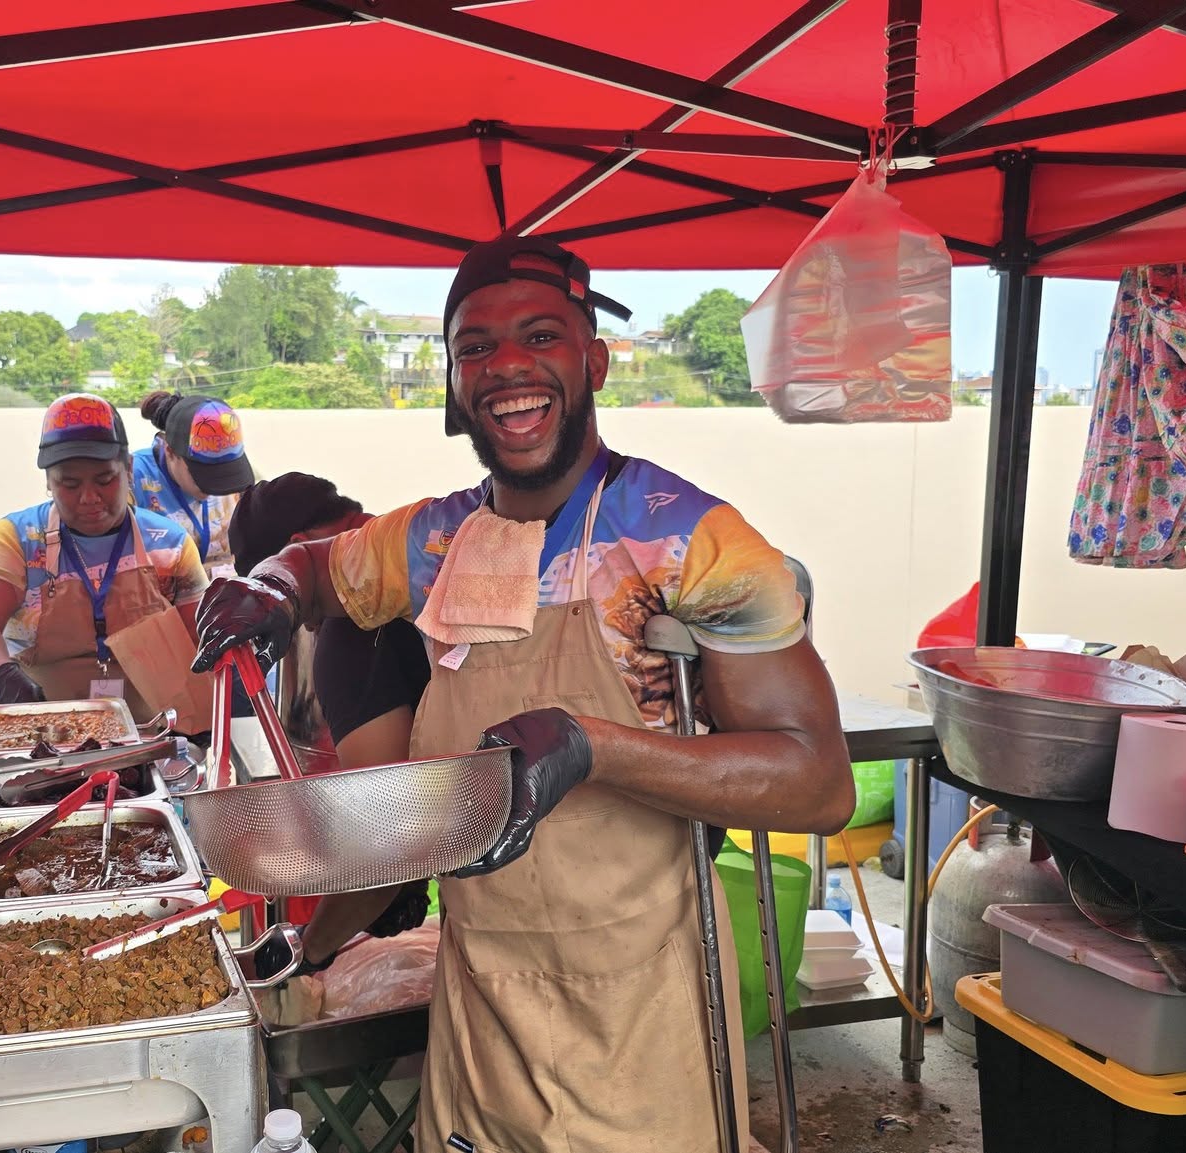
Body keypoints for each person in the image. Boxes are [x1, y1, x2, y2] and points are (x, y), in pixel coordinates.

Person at [193, 237, 855, 1151]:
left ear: (595, 361)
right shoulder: (434, 541)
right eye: (475, 346)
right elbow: (315, 567)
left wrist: (594, 747)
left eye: (539, 336)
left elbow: (818, 781)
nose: (506, 364)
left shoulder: (694, 543)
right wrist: (268, 584)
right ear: (454, 381)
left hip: (636, 1013)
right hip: (479, 1011)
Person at [227, 474, 432, 972]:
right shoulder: (419, 548)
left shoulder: (351, 627)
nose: (302, 624)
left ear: (300, 553)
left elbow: (384, 842)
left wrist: (309, 949)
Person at [0, 394, 209, 720]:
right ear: (48, 482)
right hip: (42, 724)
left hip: (151, 727)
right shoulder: (18, 538)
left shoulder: (170, 544)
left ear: (129, 469)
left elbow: (200, 637)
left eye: (105, 480)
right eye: (70, 484)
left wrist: (203, 711)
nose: (89, 497)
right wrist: (2, 677)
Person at [129, 390, 257, 576]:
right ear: (170, 451)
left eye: (225, 471)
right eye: (203, 471)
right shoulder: (134, 479)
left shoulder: (237, 481)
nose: (216, 485)